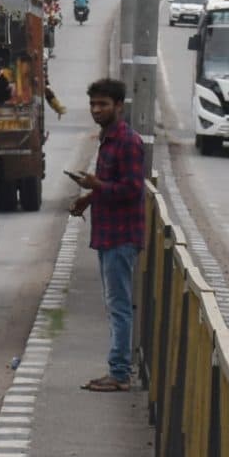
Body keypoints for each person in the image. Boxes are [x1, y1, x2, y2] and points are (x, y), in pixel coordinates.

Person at [69, 78, 147, 393]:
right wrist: (87, 198)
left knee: (118, 305)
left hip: (121, 236)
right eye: (93, 105)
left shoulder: (128, 142)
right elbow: (109, 183)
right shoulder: (108, 139)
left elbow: (132, 189)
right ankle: (118, 368)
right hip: (106, 234)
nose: (96, 110)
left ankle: (119, 372)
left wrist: (95, 186)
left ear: (119, 106)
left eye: (103, 104)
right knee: (114, 303)